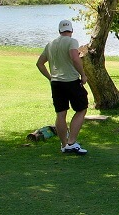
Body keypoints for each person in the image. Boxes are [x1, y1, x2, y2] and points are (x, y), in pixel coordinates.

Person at [36, 19, 89, 154]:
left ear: (59, 31)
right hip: (71, 81)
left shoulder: (51, 44)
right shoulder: (72, 42)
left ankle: (64, 144)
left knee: (61, 113)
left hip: (56, 83)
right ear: (71, 30)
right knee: (81, 108)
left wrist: (50, 77)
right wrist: (83, 75)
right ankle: (71, 142)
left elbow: (40, 63)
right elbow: (74, 58)